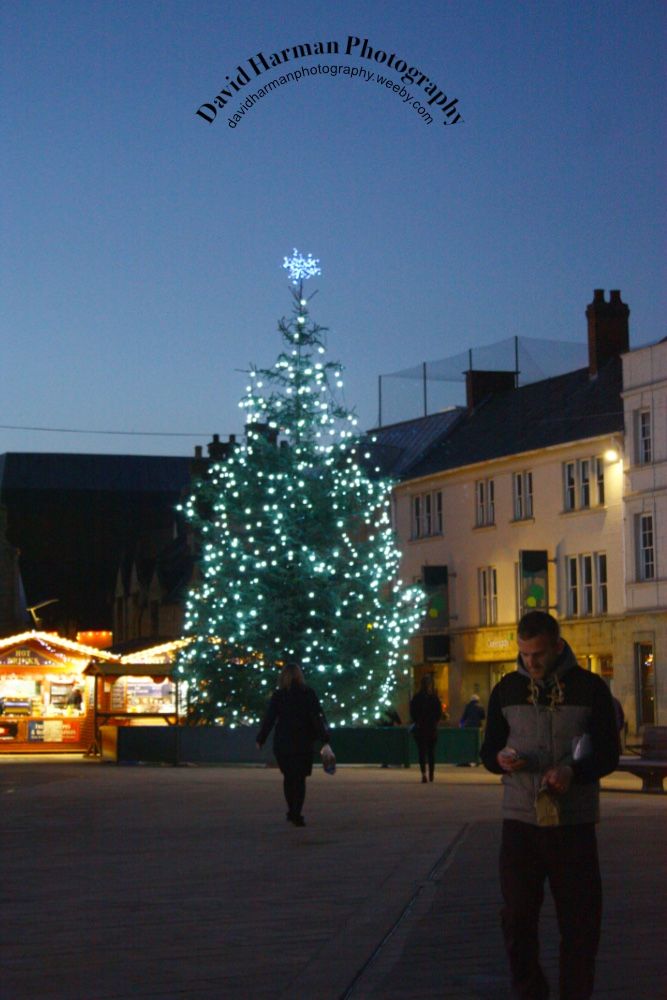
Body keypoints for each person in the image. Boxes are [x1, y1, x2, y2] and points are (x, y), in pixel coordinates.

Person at [481, 611, 620, 1000]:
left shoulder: (590, 689)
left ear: (558, 646)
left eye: (539, 654)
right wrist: (501, 759)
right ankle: (531, 992)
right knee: (517, 919)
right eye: (524, 654)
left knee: (580, 924)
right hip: (520, 821)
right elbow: (488, 751)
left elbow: (609, 754)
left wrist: (573, 773)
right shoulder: (506, 690)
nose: (531, 663)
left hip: (572, 823)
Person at [256, 662, 330, 827]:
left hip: (283, 742)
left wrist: (261, 738)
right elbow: (318, 717)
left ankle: (292, 810)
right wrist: (324, 739)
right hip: (303, 742)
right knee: (300, 779)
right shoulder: (308, 693)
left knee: (289, 778)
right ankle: (297, 812)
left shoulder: (279, 695)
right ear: (299, 676)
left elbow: (269, 718)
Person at [409, 674, 443, 783]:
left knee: (421, 752)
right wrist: (435, 721)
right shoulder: (434, 698)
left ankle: (423, 774)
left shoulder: (416, 698)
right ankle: (431, 774)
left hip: (420, 727)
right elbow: (439, 713)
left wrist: (417, 721)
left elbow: (412, 712)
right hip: (431, 727)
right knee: (431, 752)